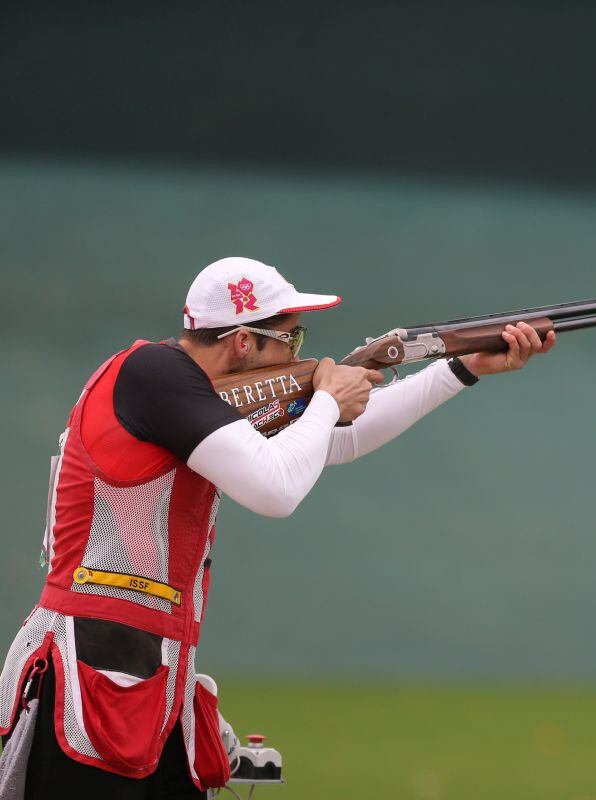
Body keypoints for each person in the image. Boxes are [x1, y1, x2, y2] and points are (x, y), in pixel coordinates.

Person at [0, 257, 554, 798]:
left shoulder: (181, 390)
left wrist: (461, 368)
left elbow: (339, 442)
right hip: (93, 672)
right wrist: (325, 402)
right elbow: (276, 489)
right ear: (244, 342)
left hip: (146, 673)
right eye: (290, 340)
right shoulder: (155, 376)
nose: (299, 353)